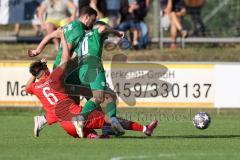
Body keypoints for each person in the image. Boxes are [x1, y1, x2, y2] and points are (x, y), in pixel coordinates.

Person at [27, 29, 158, 138]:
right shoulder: (53, 79)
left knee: (94, 135)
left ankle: (100, 133)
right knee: (109, 117)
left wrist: (35, 73)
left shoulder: (35, 87)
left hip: (66, 126)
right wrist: (62, 36)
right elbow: (65, 58)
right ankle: (144, 129)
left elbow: (27, 87)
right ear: (45, 69)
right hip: (75, 117)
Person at [73, 20, 125, 138]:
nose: (106, 36)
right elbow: (102, 28)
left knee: (110, 95)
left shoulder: (82, 39)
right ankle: (80, 119)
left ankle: (112, 124)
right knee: (99, 97)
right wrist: (117, 33)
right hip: (94, 67)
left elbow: (74, 56)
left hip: (82, 71)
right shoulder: (96, 32)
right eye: (106, 34)